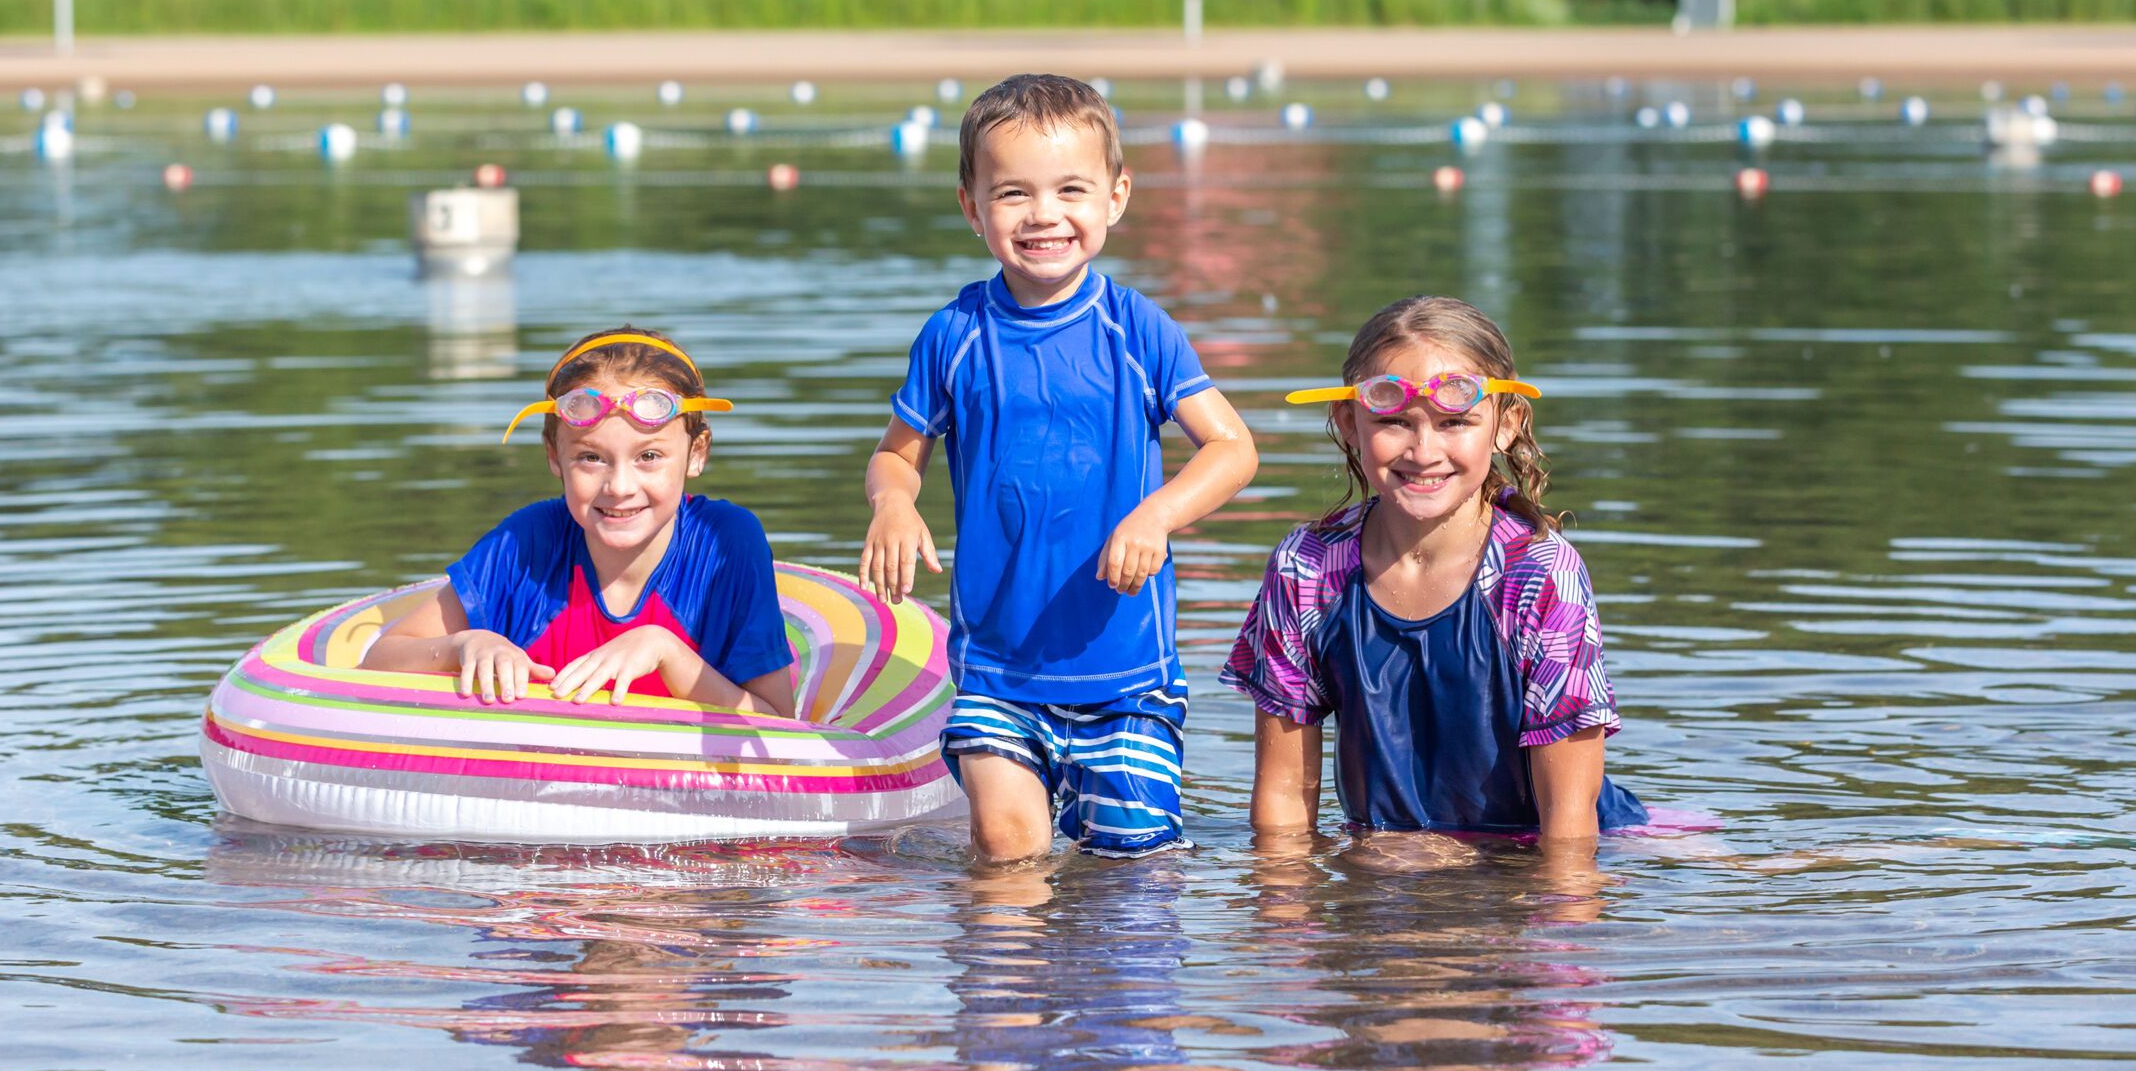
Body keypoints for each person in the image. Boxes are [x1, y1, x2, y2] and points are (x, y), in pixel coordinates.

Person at [860, 73, 1257, 863]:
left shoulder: (1139, 330)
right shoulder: (955, 335)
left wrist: (1156, 516)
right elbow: (895, 457)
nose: (1044, 214)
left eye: (1070, 189)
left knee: (1128, 875)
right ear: (972, 207)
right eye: (1013, 194)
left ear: (1115, 196)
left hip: (1126, 672)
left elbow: (1233, 448)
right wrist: (893, 507)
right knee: (1007, 853)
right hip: (998, 671)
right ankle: (1008, 988)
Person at [1223, 294, 1649, 842]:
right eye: (1395, 422)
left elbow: (1570, 831)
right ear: (1349, 422)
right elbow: (1282, 803)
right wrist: (1283, 918)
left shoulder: (1538, 575)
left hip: (1538, 842)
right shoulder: (1307, 568)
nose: (1424, 452)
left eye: (1455, 422)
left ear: (1505, 424)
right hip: (1391, 851)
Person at [363, 327, 796, 716]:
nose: (619, 486)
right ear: (555, 456)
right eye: (591, 457)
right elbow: (378, 660)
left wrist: (668, 655)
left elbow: (777, 721)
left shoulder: (726, 543)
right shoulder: (528, 543)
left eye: (649, 456)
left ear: (696, 453)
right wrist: (465, 645)